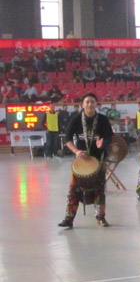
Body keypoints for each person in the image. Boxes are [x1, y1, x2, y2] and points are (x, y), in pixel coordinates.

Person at [58, 93, 113, 229]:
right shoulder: (76, 119)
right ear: (82, 105)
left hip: (98, 159)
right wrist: (76, 151)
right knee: (73, 189)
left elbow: (109, 137)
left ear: (96, 104)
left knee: (100, 190)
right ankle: (69, 218)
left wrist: (103, 143)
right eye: (87, 102)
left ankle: (101, 217)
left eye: (92, 102)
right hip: (81, 161)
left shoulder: (102, 119)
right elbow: (67, 139)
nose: (90, 104)